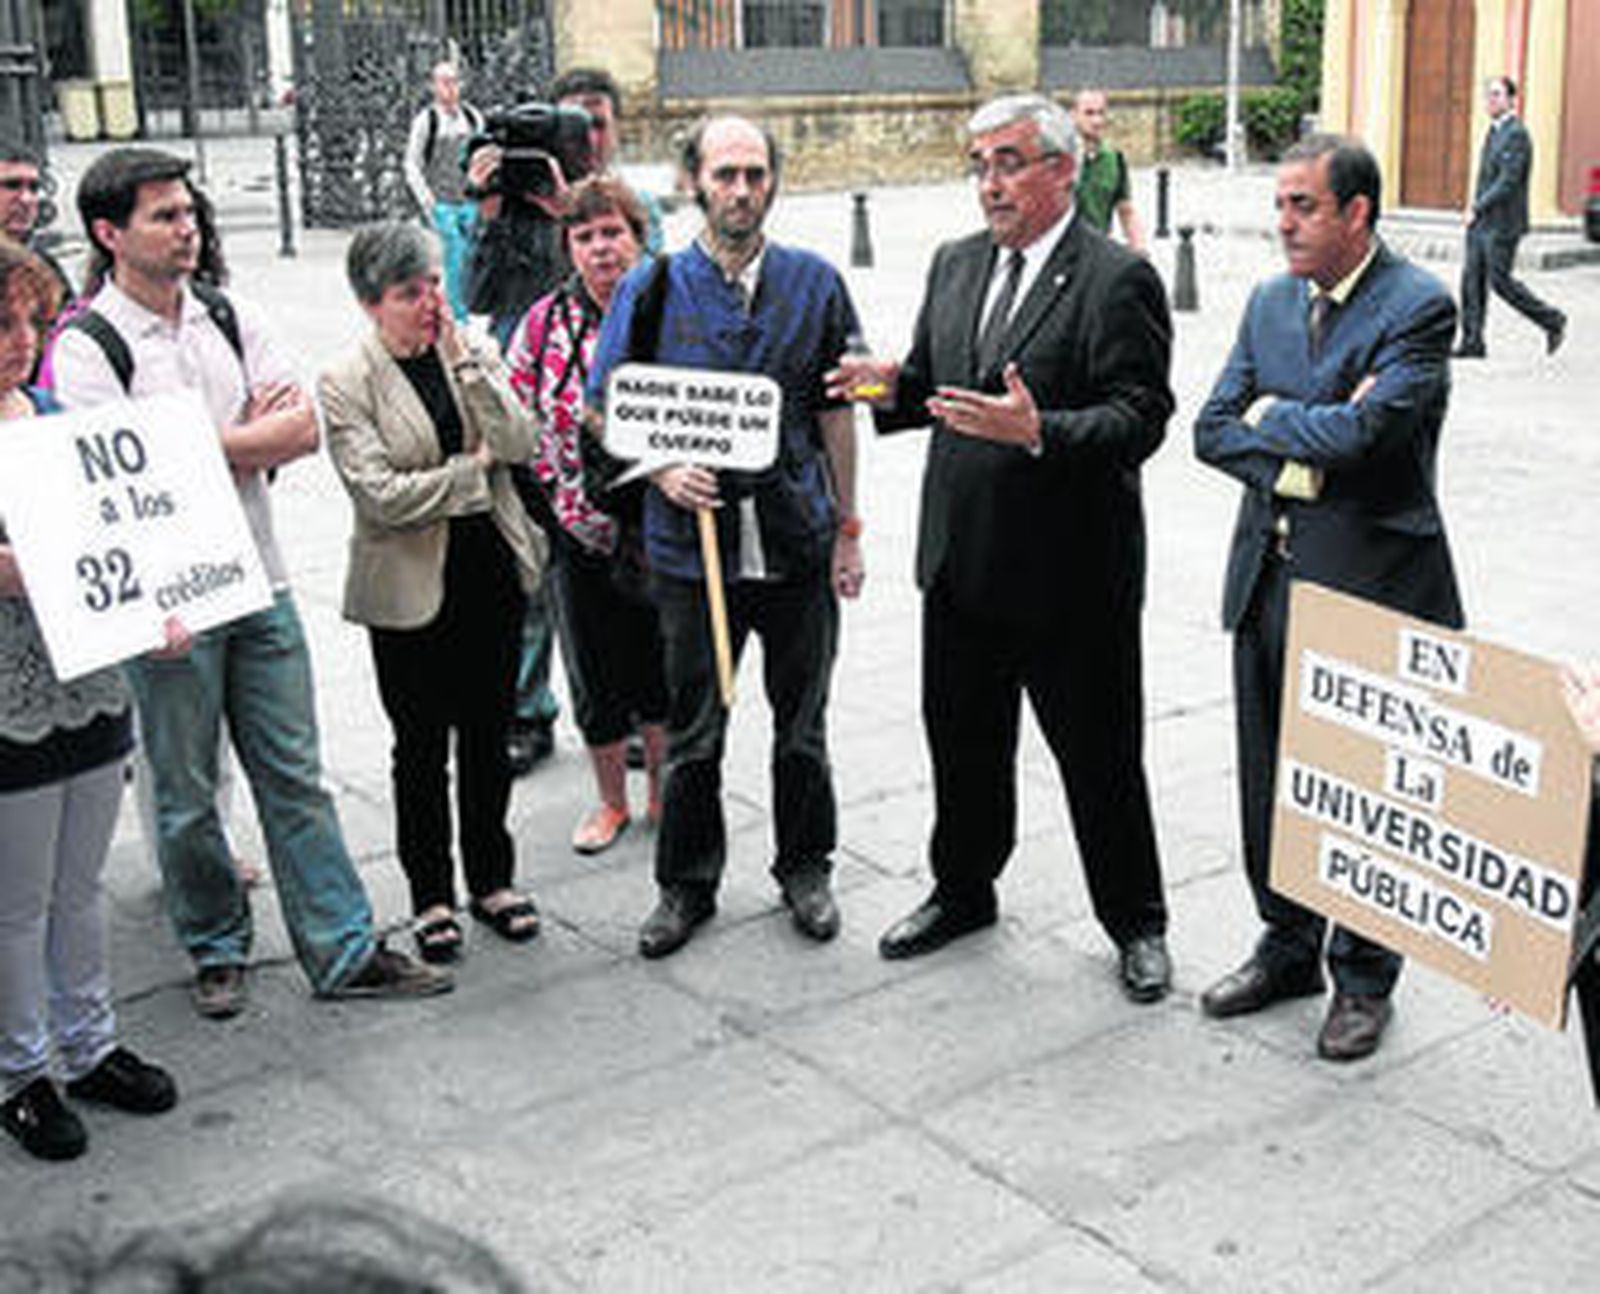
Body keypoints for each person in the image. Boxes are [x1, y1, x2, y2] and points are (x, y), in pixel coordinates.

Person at [51, 147, 451, 1019]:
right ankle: (215, 944)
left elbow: (300, 429)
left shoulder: (228, 314)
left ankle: (341, 948)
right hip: (168, 605)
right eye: (164, 215)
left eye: (188, 211)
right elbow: (113, 477)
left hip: (260, 584)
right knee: (186, 789)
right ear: (109, 233)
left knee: (294, 775)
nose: (186, 227)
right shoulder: (87, 346)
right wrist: (233, 441)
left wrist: (183, 443)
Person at [827, 93, 1173, 1003]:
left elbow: (1141, 418)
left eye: (1010, 162)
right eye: (979, 164)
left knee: (1099, 761)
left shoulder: (1115, 278)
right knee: (964, 748)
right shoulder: (954, 264)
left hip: (1073, 579)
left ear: (1064, 168)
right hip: (963, 565)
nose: (991, 182)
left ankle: (1137, 922)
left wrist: (1040, 430)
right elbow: (939, 387)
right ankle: (963, 890)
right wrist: (879, 389)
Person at [1193, 134, 1464, 1060]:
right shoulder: (1270, 301)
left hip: (1371, 589)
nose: (1284, 223)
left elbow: (1371, 435)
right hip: (1267, 579)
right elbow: (1210, 427)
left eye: (1303, 206)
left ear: (1357, 213)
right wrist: (1301, 445)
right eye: (1280, 205)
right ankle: (1288, 943)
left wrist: (1278, 427)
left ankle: (1362, 977)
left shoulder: (1420, 308)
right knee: (1269, 777)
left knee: (1360, 788)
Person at [588, 115, 865, 959]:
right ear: (694, 183)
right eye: (724, 175)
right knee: (696, 728)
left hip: (794, 544)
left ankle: (805, 868)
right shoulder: (655, 286)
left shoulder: (815, 284)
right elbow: (603, 408)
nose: (739, 190)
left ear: (772, 182)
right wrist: (661, 469)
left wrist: (848, 527)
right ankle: (686, 885)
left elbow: (834, 413)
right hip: (689, 547)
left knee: (802, 725)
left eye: (754, 174)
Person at [319, 223, 545, 964]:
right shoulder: (346, 381)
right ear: (370, 304)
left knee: (488, 737)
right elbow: (379, 495)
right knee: (420, 748)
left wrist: (468, 369)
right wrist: (468, 476)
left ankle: (493, 879)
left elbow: (521, 442)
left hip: (488, 574)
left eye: (434, 285)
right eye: (408, 293)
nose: (429, 303)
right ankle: (430, 895)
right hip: (408, 591)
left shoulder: (471, 348)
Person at [0, 235, 178, 1163]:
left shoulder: (57, 416)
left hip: (92, 682)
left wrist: (168, 596)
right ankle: (21, 1071)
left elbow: (131, 524)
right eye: (1, 323)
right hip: (10, 695)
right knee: (16, 900)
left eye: (30, 319)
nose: (21, 339)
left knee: (80, 885)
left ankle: (89, 1042)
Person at [506, 177, 668, 855]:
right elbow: (516, 409)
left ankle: (665, 796)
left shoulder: (672, 310)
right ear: (568, 245)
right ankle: (610, 803)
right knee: (594, 672)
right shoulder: (544, 322)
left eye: (614, 233)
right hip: (574, 528)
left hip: (664, 525)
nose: (602, 249)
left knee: (661, 670)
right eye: (586, 235)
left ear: (638, 238)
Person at [1454, 77, 1566, 359]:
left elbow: (1508, 182)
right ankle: (1472, 342)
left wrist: (1477, 207)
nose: (1490, 101)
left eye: (1496, 95)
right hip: (1482, 223)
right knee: (1471, 282)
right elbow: (1487, 179)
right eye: (1488, 96)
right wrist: (1476, 211)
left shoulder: (1517, 135)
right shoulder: (1493, 132)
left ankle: (1552, 320)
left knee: (1500, 282)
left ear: (1512, 100)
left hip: (1503, 224)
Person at [403, 62, 483, 324]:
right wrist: (427, 199)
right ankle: (458, 314)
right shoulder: (427, 121)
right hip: (443, 200)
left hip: (469, 198)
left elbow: (482, 152)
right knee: (454, 252)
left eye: (454, 81)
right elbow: (412, 162)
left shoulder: (472, 118)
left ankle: (468, 303)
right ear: (433, 86)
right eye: (444, 82)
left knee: (472, 252)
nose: (450, 88)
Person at [1070, 89, 1146, 254]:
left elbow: (1125, 210)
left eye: (1101, 113)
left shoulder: (1113, 159)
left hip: (1097, 251)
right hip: (1063, 254)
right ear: (1074, 115)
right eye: (1089, 113)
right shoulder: (1059, 158)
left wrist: (1140, 249)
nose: (1096, 121)